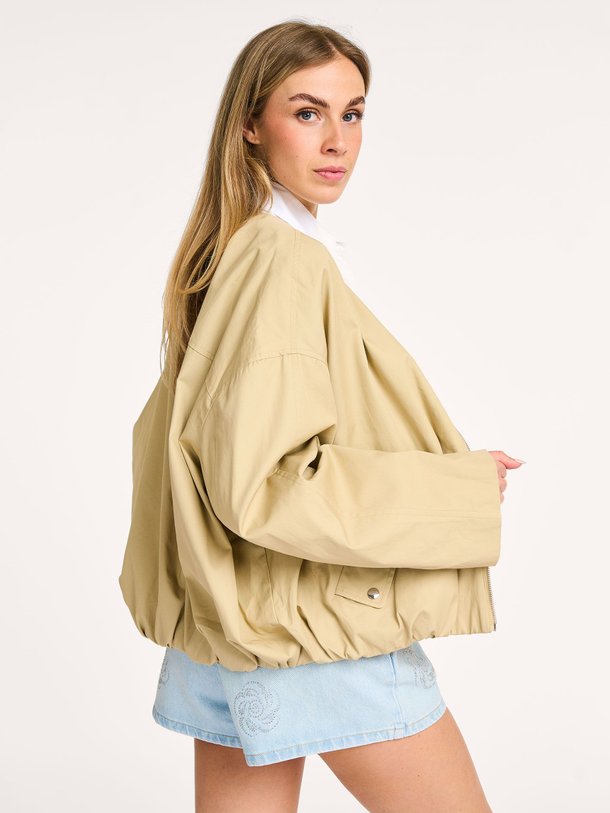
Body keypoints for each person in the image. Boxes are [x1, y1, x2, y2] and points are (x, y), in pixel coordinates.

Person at [118, 19, 524, 813]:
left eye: (353, 113)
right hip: (309, 628)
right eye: (307, 112)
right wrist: (460, 489)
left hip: (232, 623)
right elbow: (265, 480)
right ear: (250, 124)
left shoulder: (233, 251)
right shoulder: (281, 259)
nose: (338, 140)